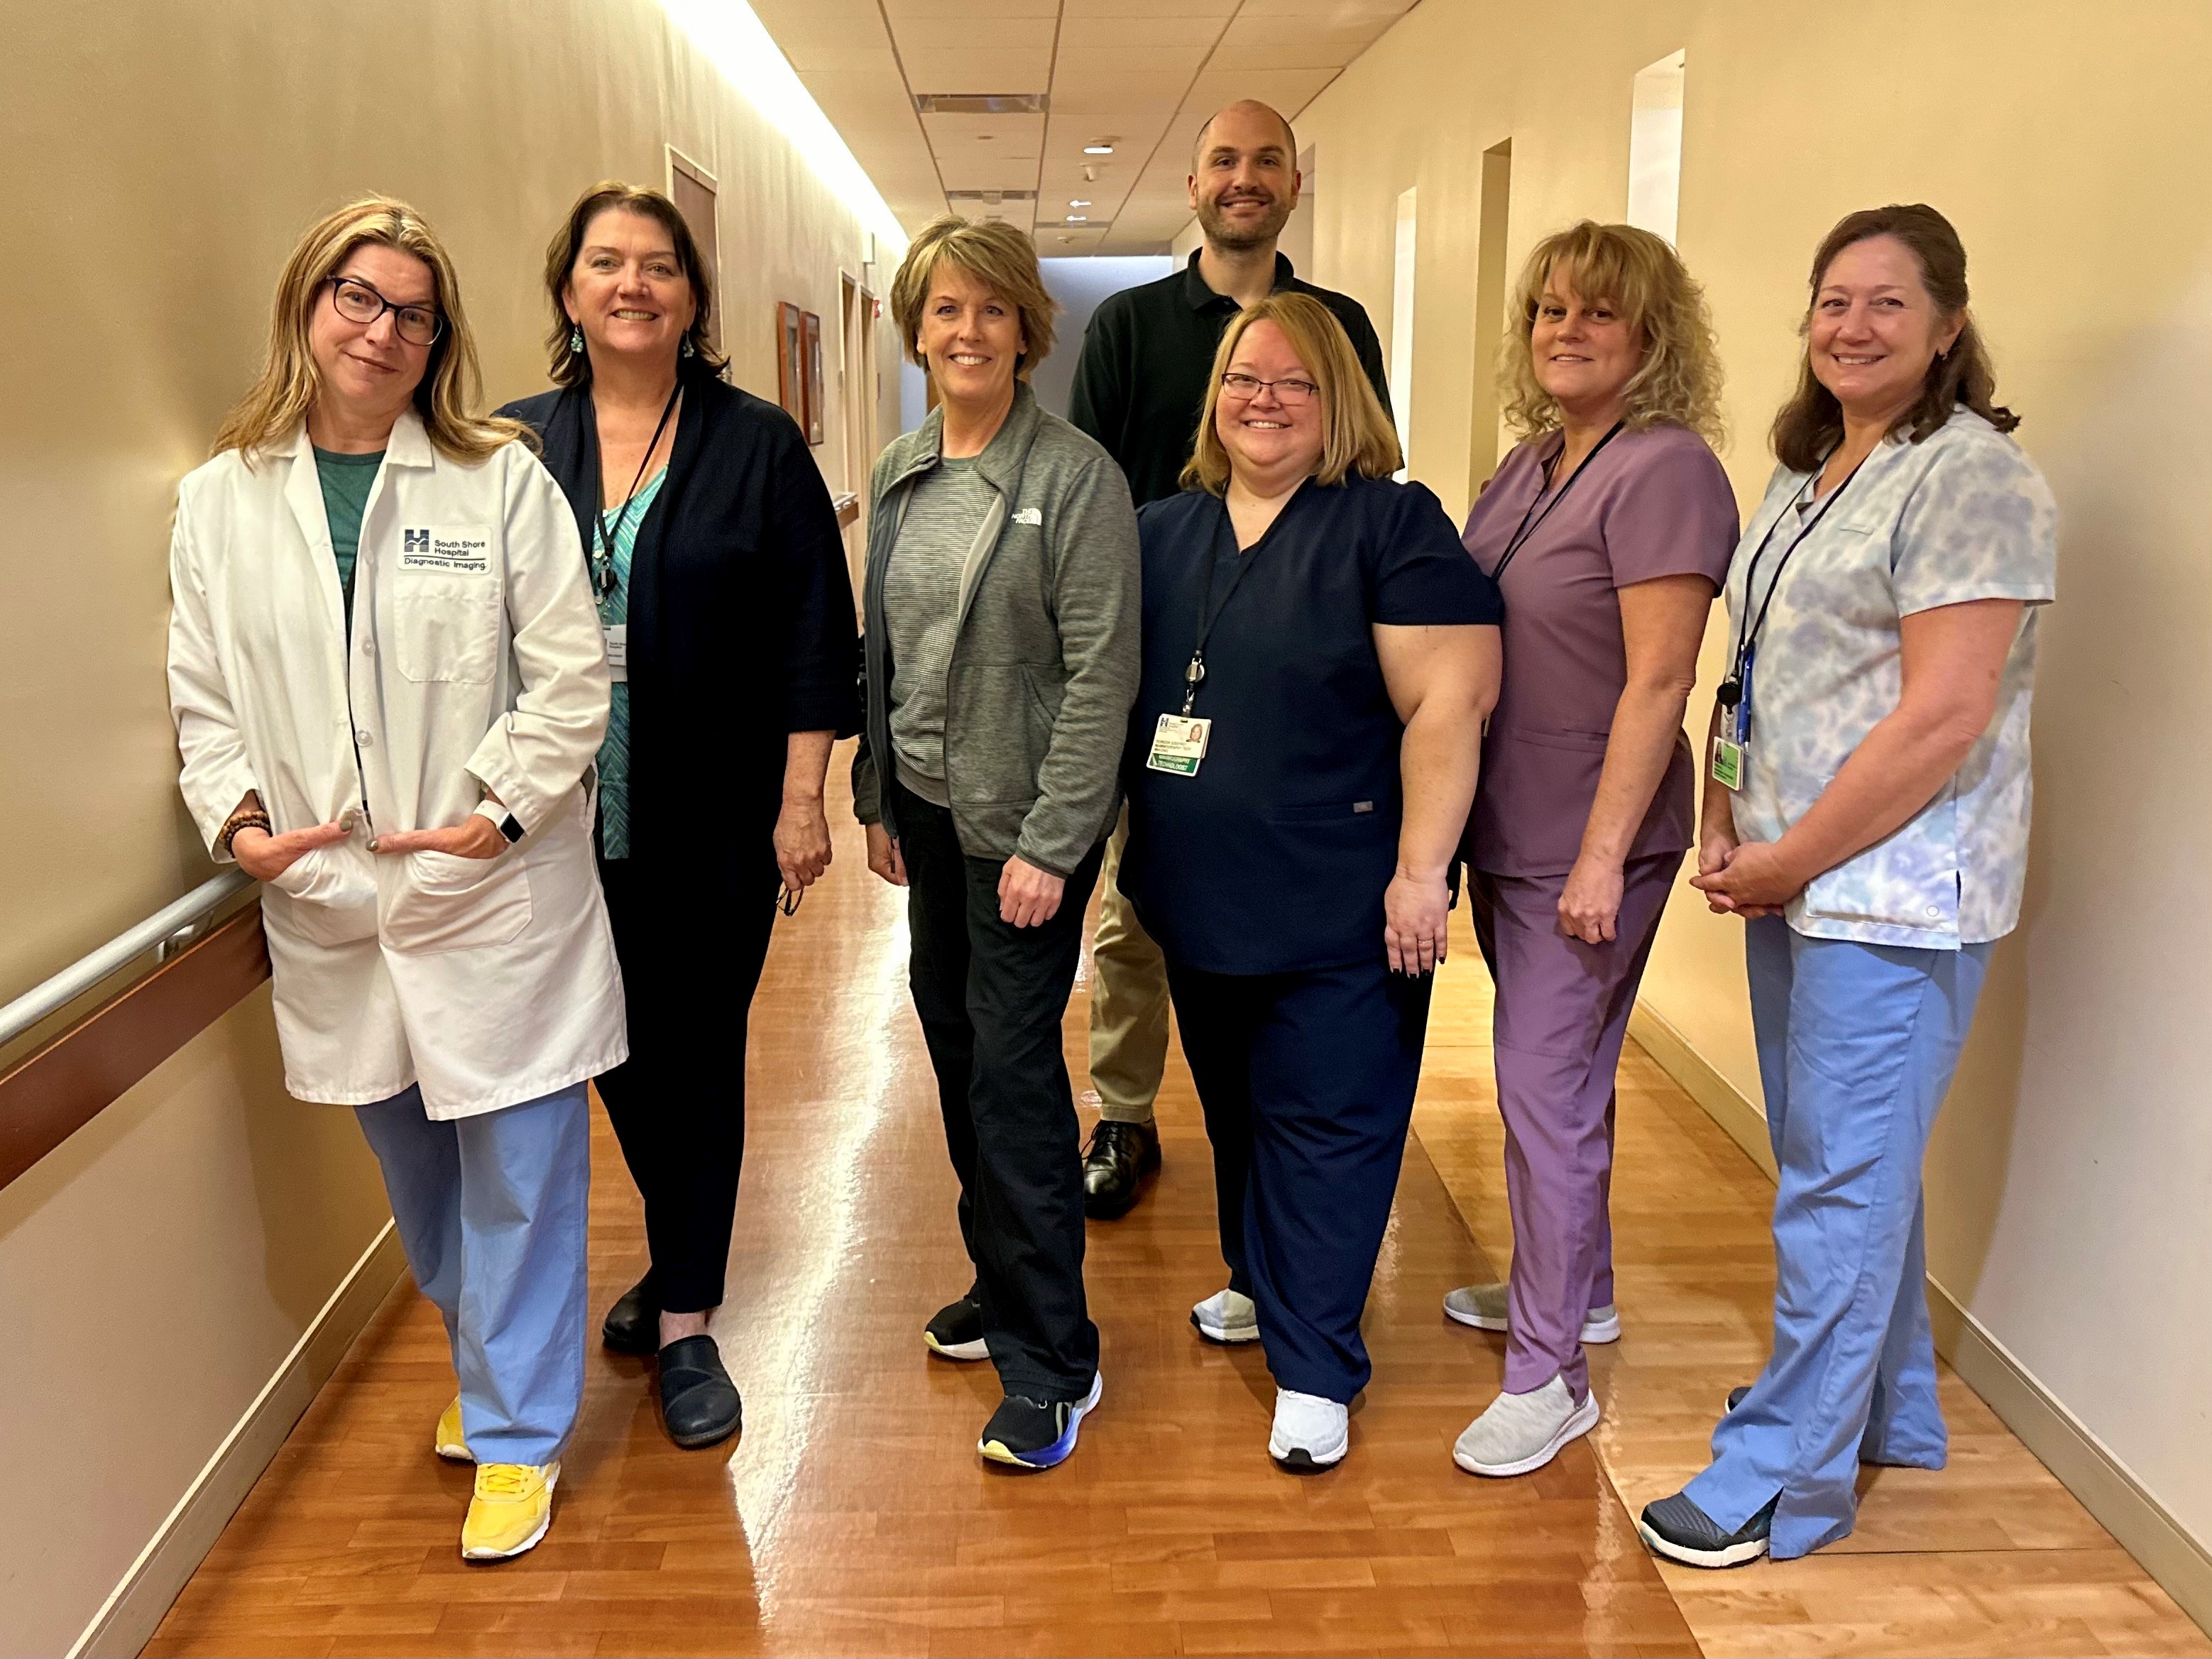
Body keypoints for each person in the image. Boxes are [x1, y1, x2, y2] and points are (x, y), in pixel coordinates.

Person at [167, 198, 624, 1560]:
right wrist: (238, 818)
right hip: (334, 903)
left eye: (414, 313)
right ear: (306, 307)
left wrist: (496, 811)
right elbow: (204, 696)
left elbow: (571, 674)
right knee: (421, 1178)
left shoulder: (498, 480)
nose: (383, 331)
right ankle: (493, 1364)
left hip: (495, 894)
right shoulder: (219, 499)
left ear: (442, 339)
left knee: (526, 1174)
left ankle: (518, 1434)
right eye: (358, 299)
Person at [1637, 204, 2057, 1567]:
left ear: (1948, 325)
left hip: (1889, 895)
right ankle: (1890, 1412)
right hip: (1790, 881)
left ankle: (1783, 1476)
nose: (1852, 326)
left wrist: (1789, 854)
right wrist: (1719, 811)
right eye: (1831, 301)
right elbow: (1753, 668)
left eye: (1886, 302)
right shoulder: (1810, 472)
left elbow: (1945, 718)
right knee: (1854, 1167)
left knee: (1834, 1180)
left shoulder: (1974, 477)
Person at [499, 182, 857, 1452]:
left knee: (694, 1052)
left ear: (694, 297)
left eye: (659, 265)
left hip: (711, 816)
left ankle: (690, 1316)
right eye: (606, 262)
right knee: (603, 1052)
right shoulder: (510, 443)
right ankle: (675, 1248)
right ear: (569, 290)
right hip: (544, 829)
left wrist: (800, 797)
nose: (632, 284)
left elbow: (818, 631)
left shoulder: (755, 443)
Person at [1119, 293, 1500, 1467]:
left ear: (1339, 401)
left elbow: (1452, 700)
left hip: (1342, 898)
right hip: (1197, 893)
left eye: (1294, 382)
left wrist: (1422, 873)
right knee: (1234, 1111)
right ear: (1213, 397)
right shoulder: (1162, 531)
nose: (1264, 401)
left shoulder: (1390, 525)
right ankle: (1261, 1283)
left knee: (1327, 1120)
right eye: (1244, 378)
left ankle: (1319, 1361)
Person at [1065, 99, 1395, 1222]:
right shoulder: (1129, 326)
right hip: (1160, 666)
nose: (1243, 178)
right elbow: (1089, 503)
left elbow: (1366, 480)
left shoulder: (1339, 322)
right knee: (1136, 904)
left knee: (1284, 903)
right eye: (1222, 160)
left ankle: (1272, 1119)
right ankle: (1125, 1110)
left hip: (1298, 667)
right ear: (1193, 184)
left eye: (1266, 162)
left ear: (1294, 185)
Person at [1446, 223, 1739, 1478]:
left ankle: (1548, 1371)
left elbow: (1659, 678)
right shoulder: (1532, 464)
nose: (1565, 331)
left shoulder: (1665, 470)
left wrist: (1599, 855)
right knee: (1567, 1084)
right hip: (1514, 832)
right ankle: (1582, 1290)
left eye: (1598, 315)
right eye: (1548, 312)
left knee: (1540, 1093)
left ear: (1652, 338)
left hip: (1587, 838)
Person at [854, 215, 1139, 1470]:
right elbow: (890, 651)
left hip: (1026, 829)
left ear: (1029, 329)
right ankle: (1002, 1277)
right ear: (917, 326)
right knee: (959, 1044)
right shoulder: (908, 463)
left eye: (991, 311)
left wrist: (1054, 839)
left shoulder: (1073, 479)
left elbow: (1101, 677)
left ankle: (1053, 1357)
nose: (967, 332)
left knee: (1017, 1078)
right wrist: (876, 791)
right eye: (945, 310)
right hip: (929, 805)